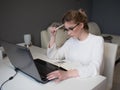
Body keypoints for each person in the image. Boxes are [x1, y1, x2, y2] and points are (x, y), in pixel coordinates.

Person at [46, 9, 104, 83]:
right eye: (67, 30)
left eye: (71, 29)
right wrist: (53, 37)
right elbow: (53, 55)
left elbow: (95, 68)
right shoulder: (71, 41)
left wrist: (67, 74)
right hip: (70, 80)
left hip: (87, 81)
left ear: (81, 25)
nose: (68, 33)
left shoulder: (97, 41)